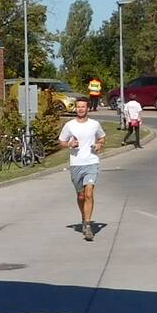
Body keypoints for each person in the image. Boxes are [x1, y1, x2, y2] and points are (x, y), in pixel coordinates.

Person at [56, 96, 106, 241]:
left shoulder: (94, 124)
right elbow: (61, 142)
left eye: (83, 107)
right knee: (81, 196)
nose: (81, 109)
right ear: (76, 108)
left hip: (91, 162)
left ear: (87, 108)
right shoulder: (69, 125)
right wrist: (69, 144)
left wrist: (99, 145)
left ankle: (88, 226)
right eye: (78, 107)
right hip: (76, 164)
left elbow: (102, 137)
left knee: (89, 193)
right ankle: (84, 217)